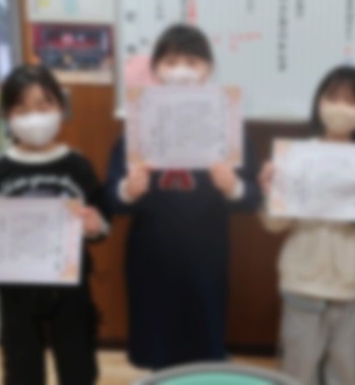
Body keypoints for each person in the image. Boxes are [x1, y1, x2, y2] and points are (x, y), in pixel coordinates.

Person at [106, 23, 262, 369]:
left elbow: (254, 197)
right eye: (171, 62)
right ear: (156, 69)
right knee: (158, 350)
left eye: (192, 62)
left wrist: (233, 187)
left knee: (203, 349)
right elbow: (111, 199)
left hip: (206, 258)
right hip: (152, 258)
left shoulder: (228, 123)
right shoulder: (138, 122)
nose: (181, 70)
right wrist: (127, 190)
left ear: (209, 69)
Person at [0, 65, 109, 385]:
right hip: (15, 293)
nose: (34, 118)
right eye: (22, 109)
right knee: (22, 370)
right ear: (7, 115)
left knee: (78, 367)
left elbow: (102, 221)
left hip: (71, 291)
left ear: (60, 107)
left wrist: (95, 225)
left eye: (44, 107)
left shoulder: (78, 167)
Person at [259, 65, 355, 385]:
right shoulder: (297, 157)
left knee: (345, 373)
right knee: (298, 373)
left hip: (349, 286)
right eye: (333, 97)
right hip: (301, 282)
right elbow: (275, 225)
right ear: (319, 102)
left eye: (353, 100)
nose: (341, 107)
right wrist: (270, 191)